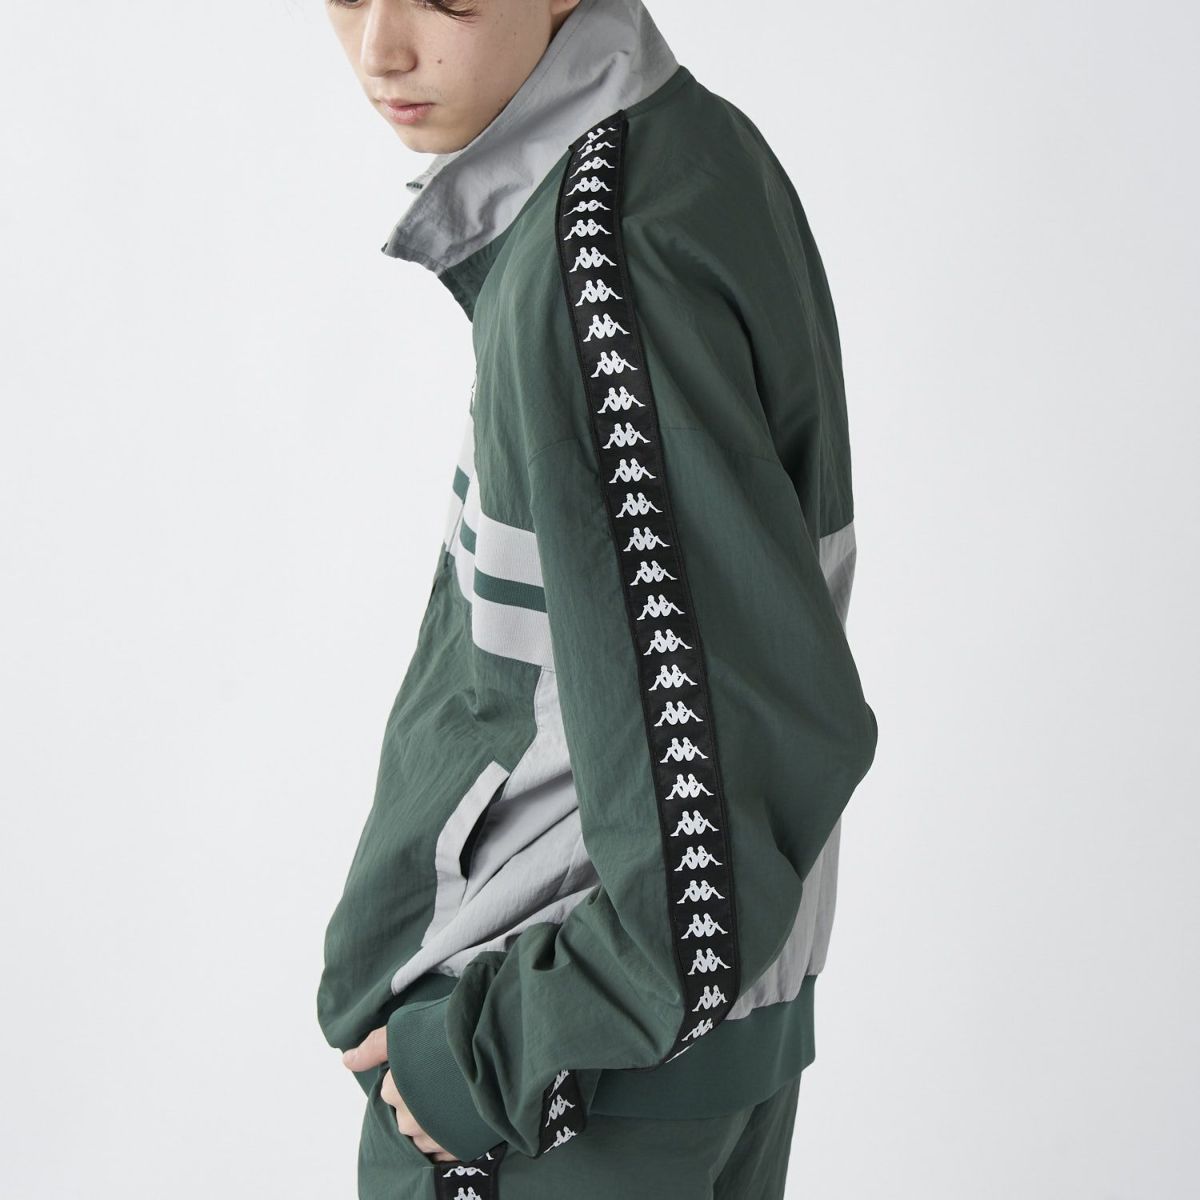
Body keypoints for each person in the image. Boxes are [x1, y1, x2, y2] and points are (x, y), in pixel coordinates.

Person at [316, 1, 879, 1197]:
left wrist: (485, 1058)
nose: (382, 48)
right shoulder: (691, 154)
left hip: (562, 1087)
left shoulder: (602, 260)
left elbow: (738, 754)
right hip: (677, 1060)